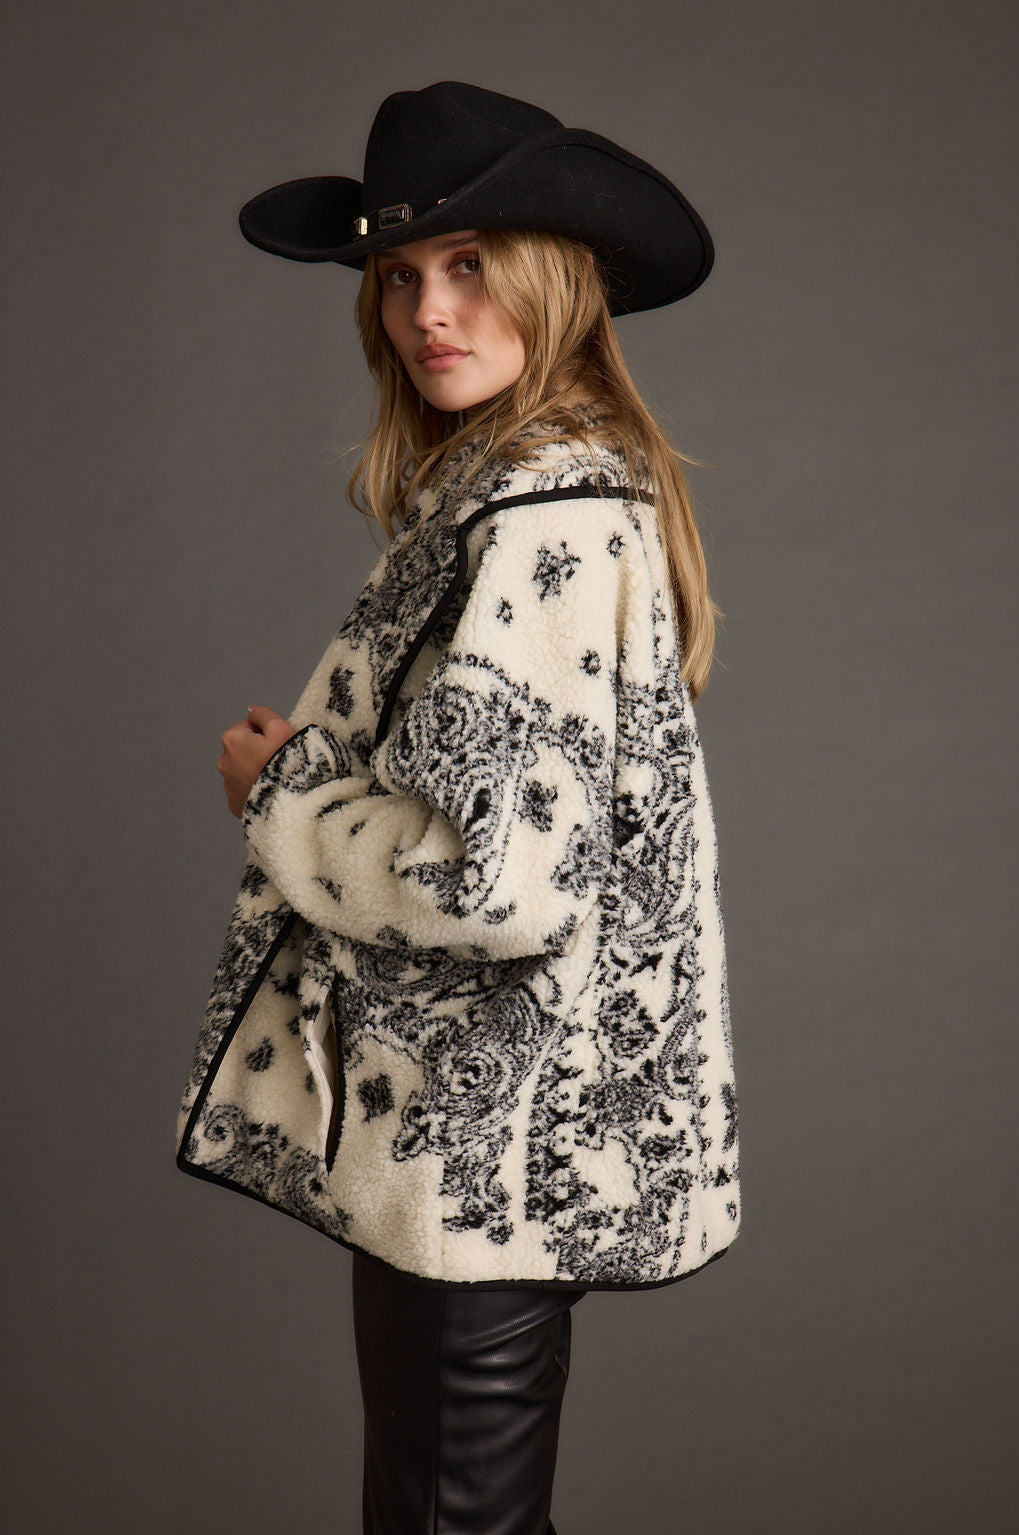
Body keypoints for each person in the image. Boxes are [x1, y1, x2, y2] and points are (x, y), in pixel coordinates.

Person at [175, 81, 741, 1535]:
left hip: (475, 1150)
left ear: (556, 278)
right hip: (495, 1140)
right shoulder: (539, 493)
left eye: (473, 263)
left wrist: (284, 796)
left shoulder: (538, 518)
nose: (429, 310)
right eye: (399, 275)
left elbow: (497, 885)